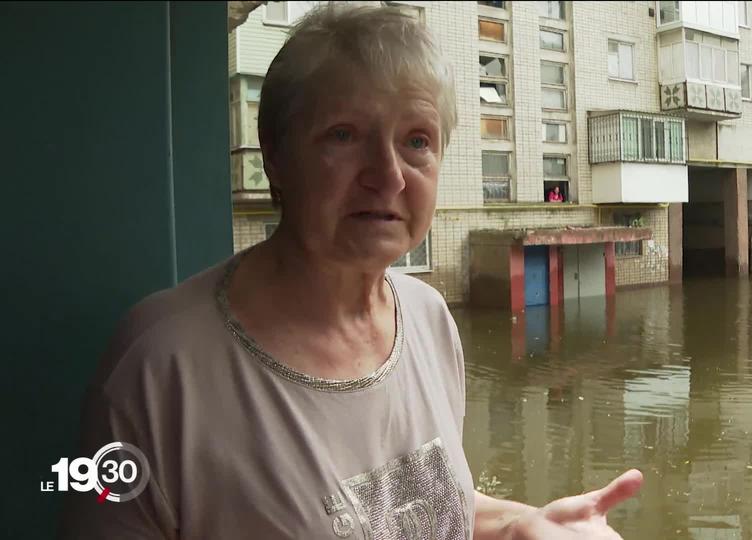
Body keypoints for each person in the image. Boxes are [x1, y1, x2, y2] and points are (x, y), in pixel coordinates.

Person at [59, 5, 642, 539]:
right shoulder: (156, 366)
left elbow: (403, 512)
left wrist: (521, 523)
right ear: (275, 153)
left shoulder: (428, 317)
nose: (388, 176)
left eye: (416, 140)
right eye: (344, 135)